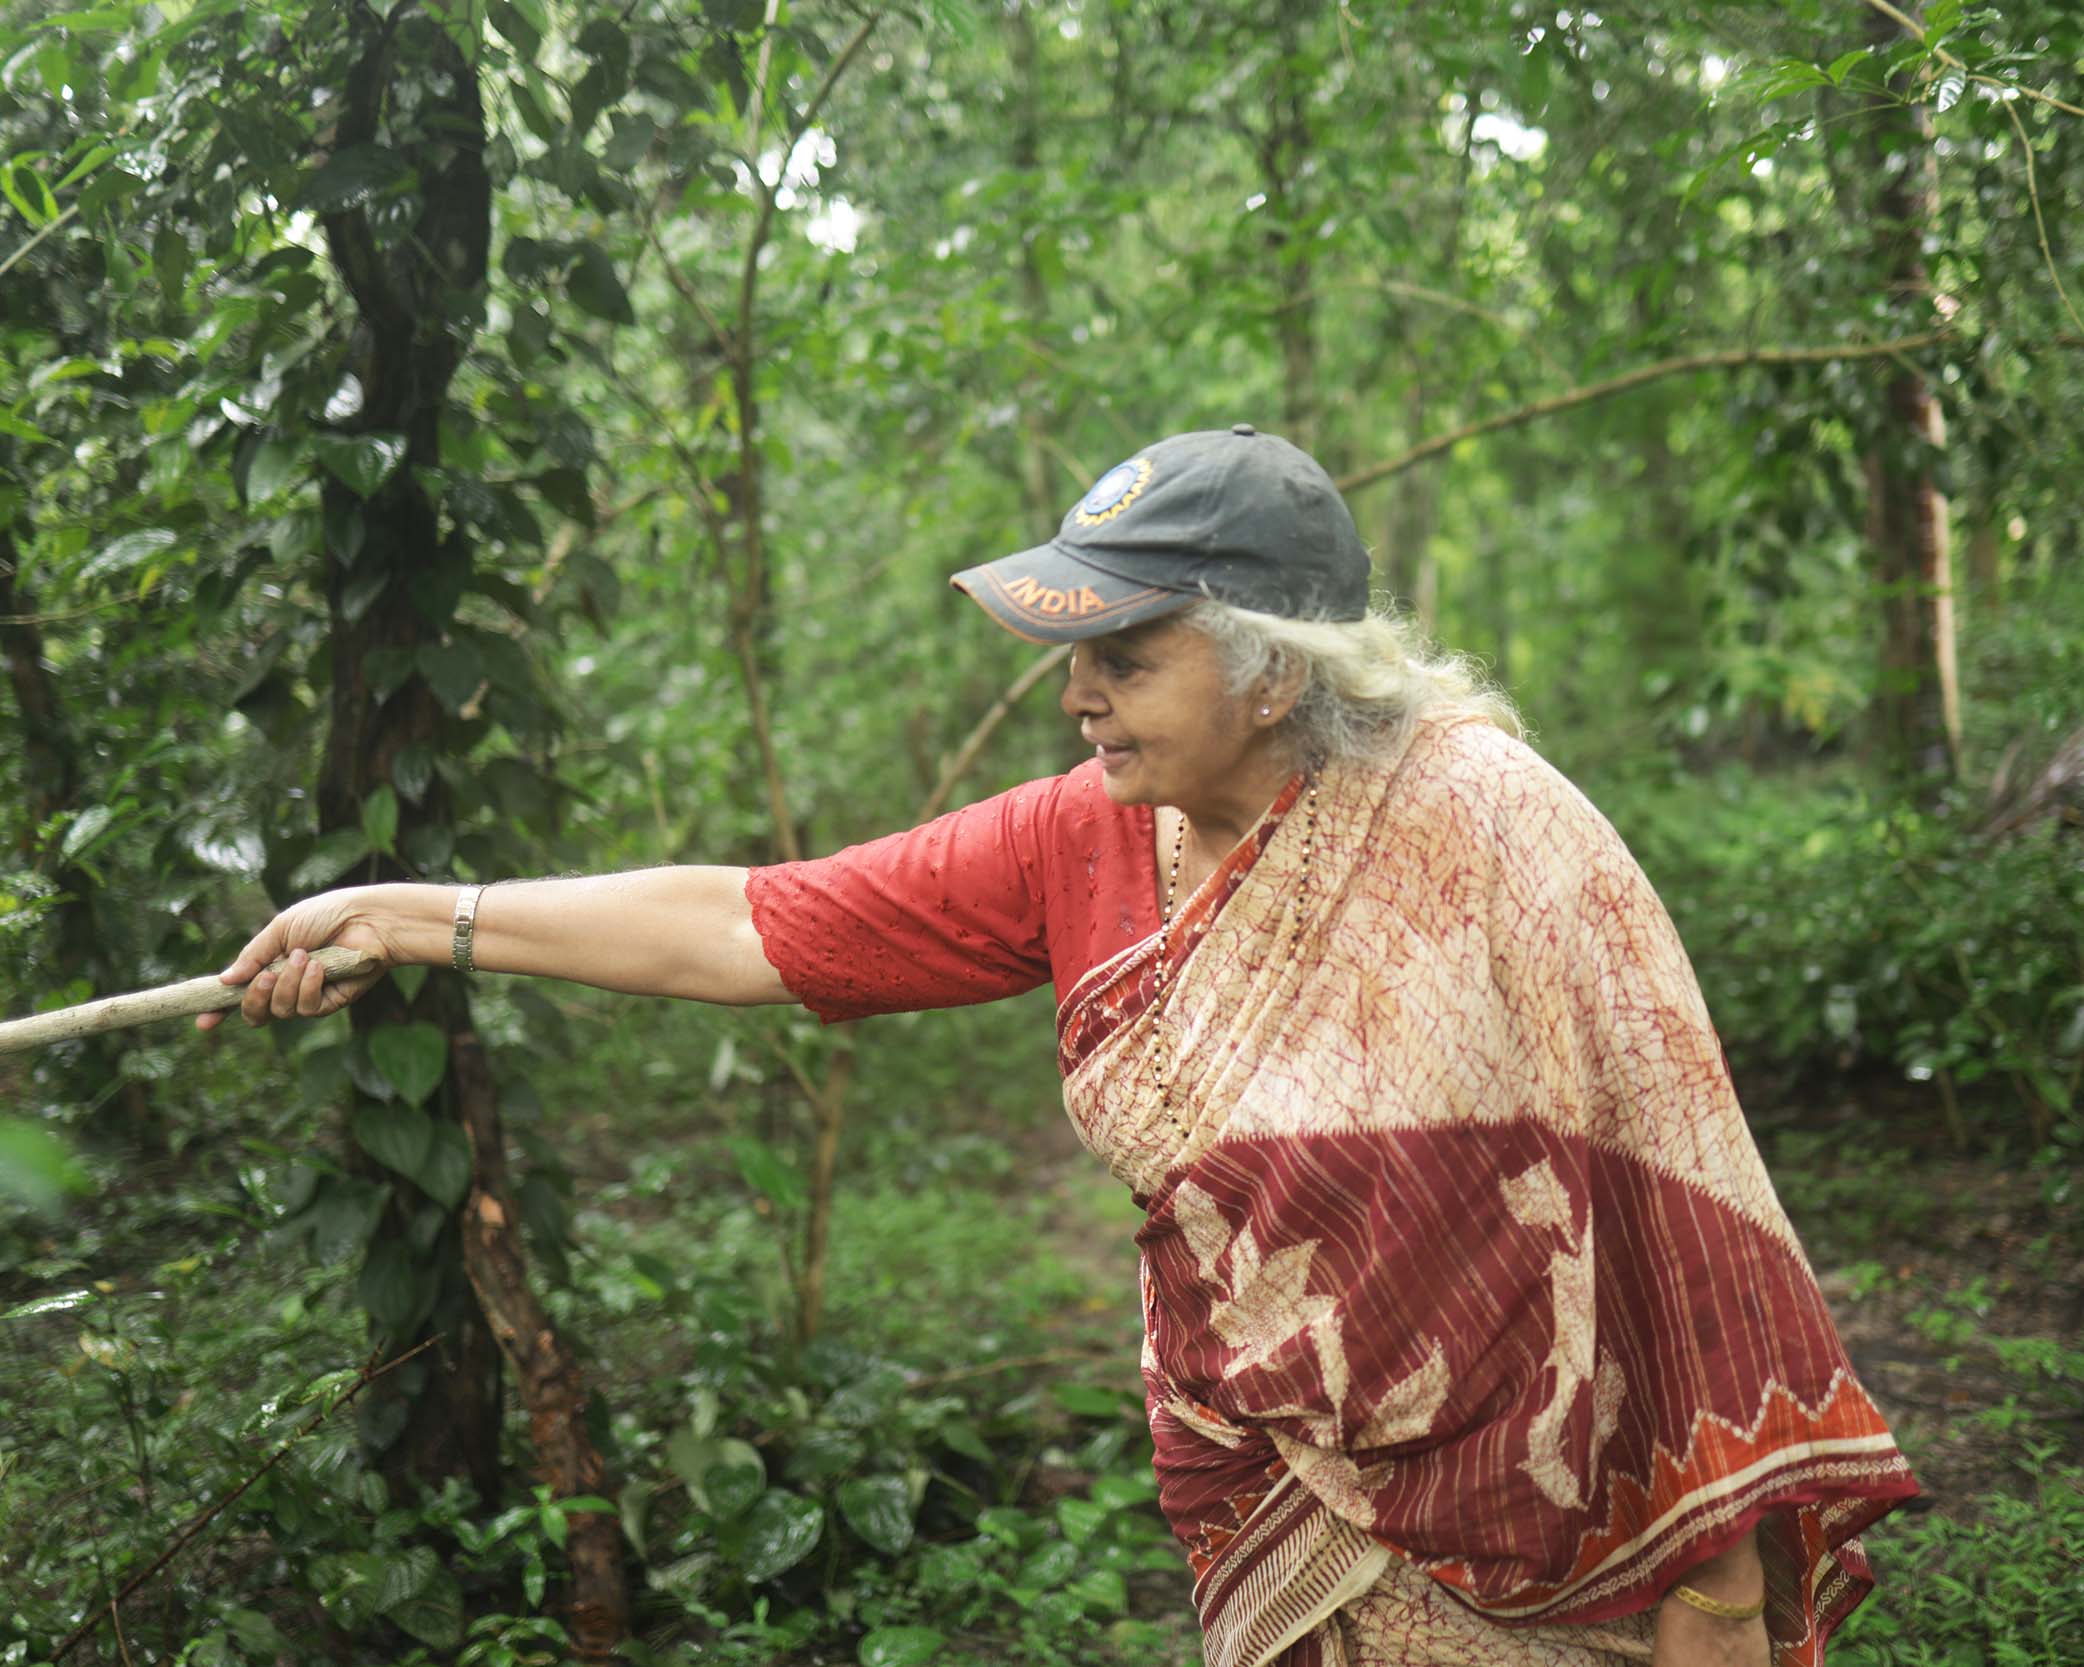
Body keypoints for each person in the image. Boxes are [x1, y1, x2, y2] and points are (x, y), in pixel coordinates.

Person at [205, 427, 1917, 1667]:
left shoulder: (1492, 827)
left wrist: (1716, 1596)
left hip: (1559, 1504)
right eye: (1069, 651)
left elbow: (1675, 1191)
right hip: (1277, 1490)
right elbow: (750, 921)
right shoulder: (1078, 835)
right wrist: (415, 911)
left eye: (1122, 651)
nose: (1076, 692)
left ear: (1270, 670)